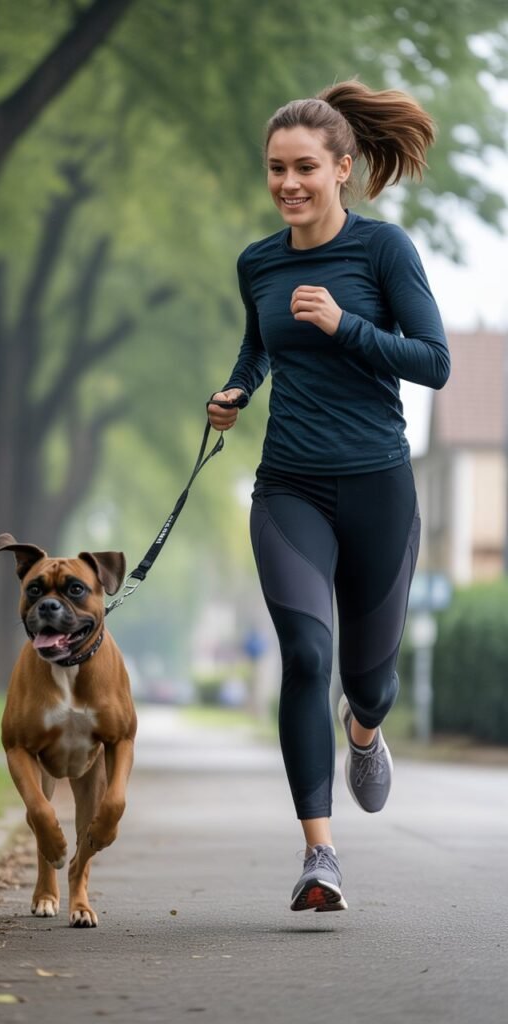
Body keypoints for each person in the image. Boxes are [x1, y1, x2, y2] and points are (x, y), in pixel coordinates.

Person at [207, 80, 450, 912]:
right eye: (277, 169)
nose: (288, 184)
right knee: (306, 657)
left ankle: (366, 731)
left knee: (367, 680)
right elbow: (257, 349)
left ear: (343, 168)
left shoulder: (384, 253)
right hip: (289, 488)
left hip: (379, 484)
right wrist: (234, 393)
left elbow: (434, 362)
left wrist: (347, 326)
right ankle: (321, 855)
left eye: (305, 167)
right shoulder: (259, 263)